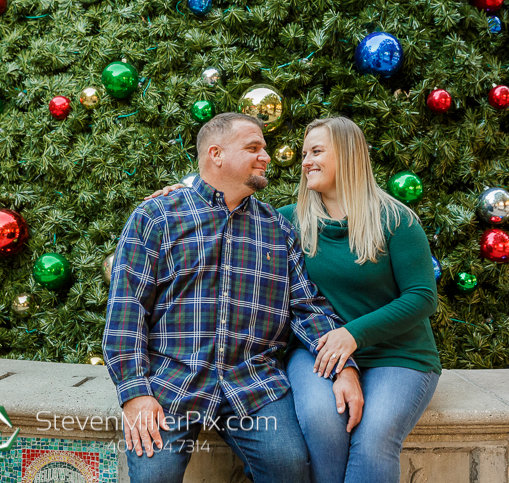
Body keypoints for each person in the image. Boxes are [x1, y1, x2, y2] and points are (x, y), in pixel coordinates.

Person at [148, 116, 441, 483]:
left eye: (316, 151)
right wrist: (184, 192)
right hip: (318, 348)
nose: (305, 162)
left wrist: (352, 335)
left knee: (375, 438)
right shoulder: (290, 222)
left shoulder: (396, 220)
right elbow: (227, 203)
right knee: (322, 422)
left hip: (395, 352)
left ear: (348, 155)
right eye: (304, 154)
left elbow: (423, 297)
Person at [103, 112, 364, 483]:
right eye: (253, 147)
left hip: (253, 383)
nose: (267, 156)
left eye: (265, 147)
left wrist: (344, 367)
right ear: (216, 155)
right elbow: (125, 313)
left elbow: (308, 308)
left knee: (289, 468)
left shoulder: (277, 227)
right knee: (153, 477)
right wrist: (134, 394)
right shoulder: (157, 217)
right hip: (171, 382)